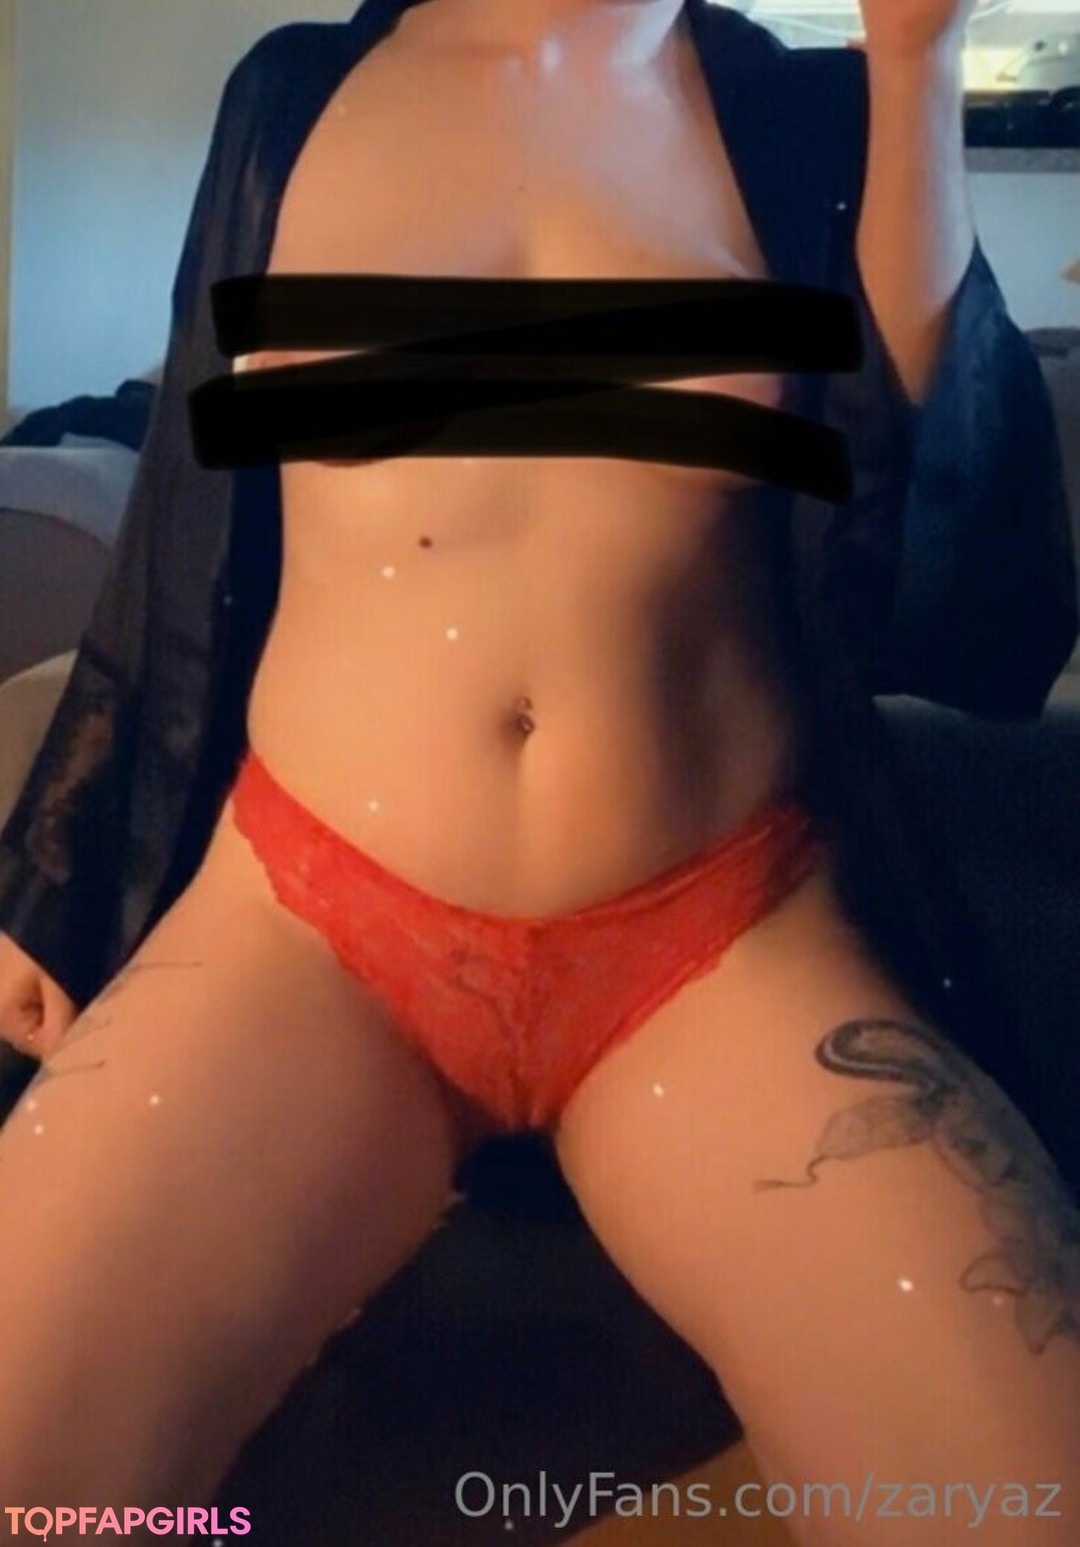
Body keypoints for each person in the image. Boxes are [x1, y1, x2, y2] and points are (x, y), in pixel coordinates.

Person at [0, 0, 1077, 1540]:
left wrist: (919, 70)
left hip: (720, 937)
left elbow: (960, 560)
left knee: (1026, 1501)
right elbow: (183, 522)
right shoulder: (296, 98)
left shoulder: (807, 119)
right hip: (307, 923)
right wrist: (59, 871)